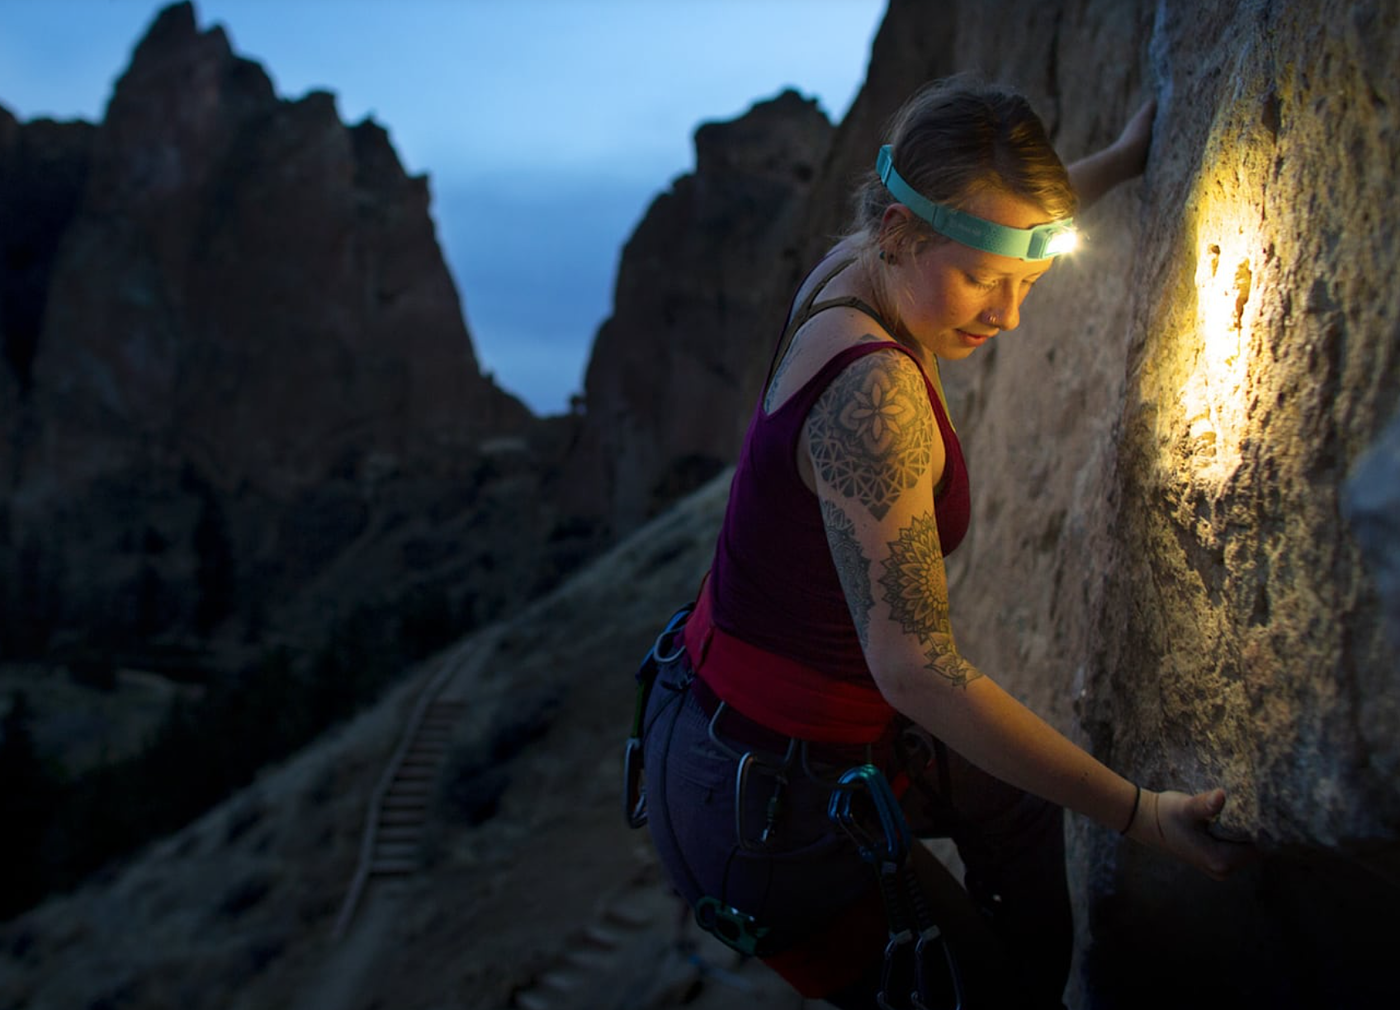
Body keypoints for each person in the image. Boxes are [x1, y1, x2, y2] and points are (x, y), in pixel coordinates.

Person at [635, 75, 1254, 1009]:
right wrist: (1142, 815)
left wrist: (1124, 161)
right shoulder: (871, 395)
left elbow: (989, 228)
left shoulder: (855, 264)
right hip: (764, 809)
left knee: (1017, 797)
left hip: (723, 718)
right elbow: (916, 671)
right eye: (981, 281)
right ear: (896, 230)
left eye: (1028, 283)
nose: (1006, 314)